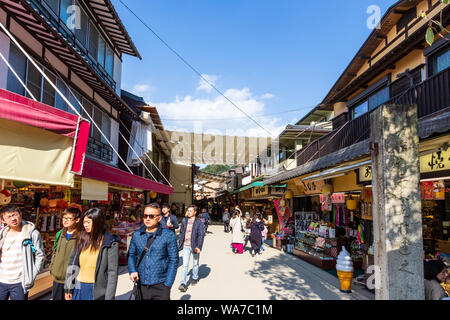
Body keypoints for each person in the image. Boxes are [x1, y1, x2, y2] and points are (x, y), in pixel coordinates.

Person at [64, 208, 120, 300]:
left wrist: (109, 297)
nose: (85, 225)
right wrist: (68, 288)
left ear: (97, 222)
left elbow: (112, 273)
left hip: (96, 290)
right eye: (84, 222)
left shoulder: (110, 242)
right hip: (79, 287)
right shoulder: (81, 238)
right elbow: (72, 263)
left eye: (88, 222)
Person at [128, 203, 179, 300]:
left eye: (151, 216)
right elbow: (131, 255)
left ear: (159, 218)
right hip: (141, 284)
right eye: (145, 216)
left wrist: (168, 284)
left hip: (161, 285)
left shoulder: (168, 235)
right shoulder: (137, 235)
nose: (147, 219)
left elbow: (174, 260)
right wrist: (132, 270)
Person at [0, 205, 45, 300]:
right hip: (1, 280)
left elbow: (40, 255)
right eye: (8, 217)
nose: (13, 219)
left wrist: (32, 275)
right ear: (3, 220)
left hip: (20, 282)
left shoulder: (31, 233)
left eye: (14, 215)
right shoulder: (2, 234)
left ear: (20, 214)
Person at [49, 207, 82, 300]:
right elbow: (55, 252)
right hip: (57, 278)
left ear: (77, 220)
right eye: (64, 218)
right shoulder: (60, 234)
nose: (65, 220)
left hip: (73, 279)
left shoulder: (81, 236)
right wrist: (53, 267)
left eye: (68, 218)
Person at [178, 205, 205, 292]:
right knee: (185, 265)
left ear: (195, 212)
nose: (188, 212)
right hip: (186, 246)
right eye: (188, 210)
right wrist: (180, 244)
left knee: (195, 263)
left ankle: (195, 277)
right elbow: (182, 232)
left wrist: (199, 246)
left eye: (190, 211)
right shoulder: (184, 220)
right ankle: (183, 283)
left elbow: (201, 235)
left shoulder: (199, 222)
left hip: (195, 246)